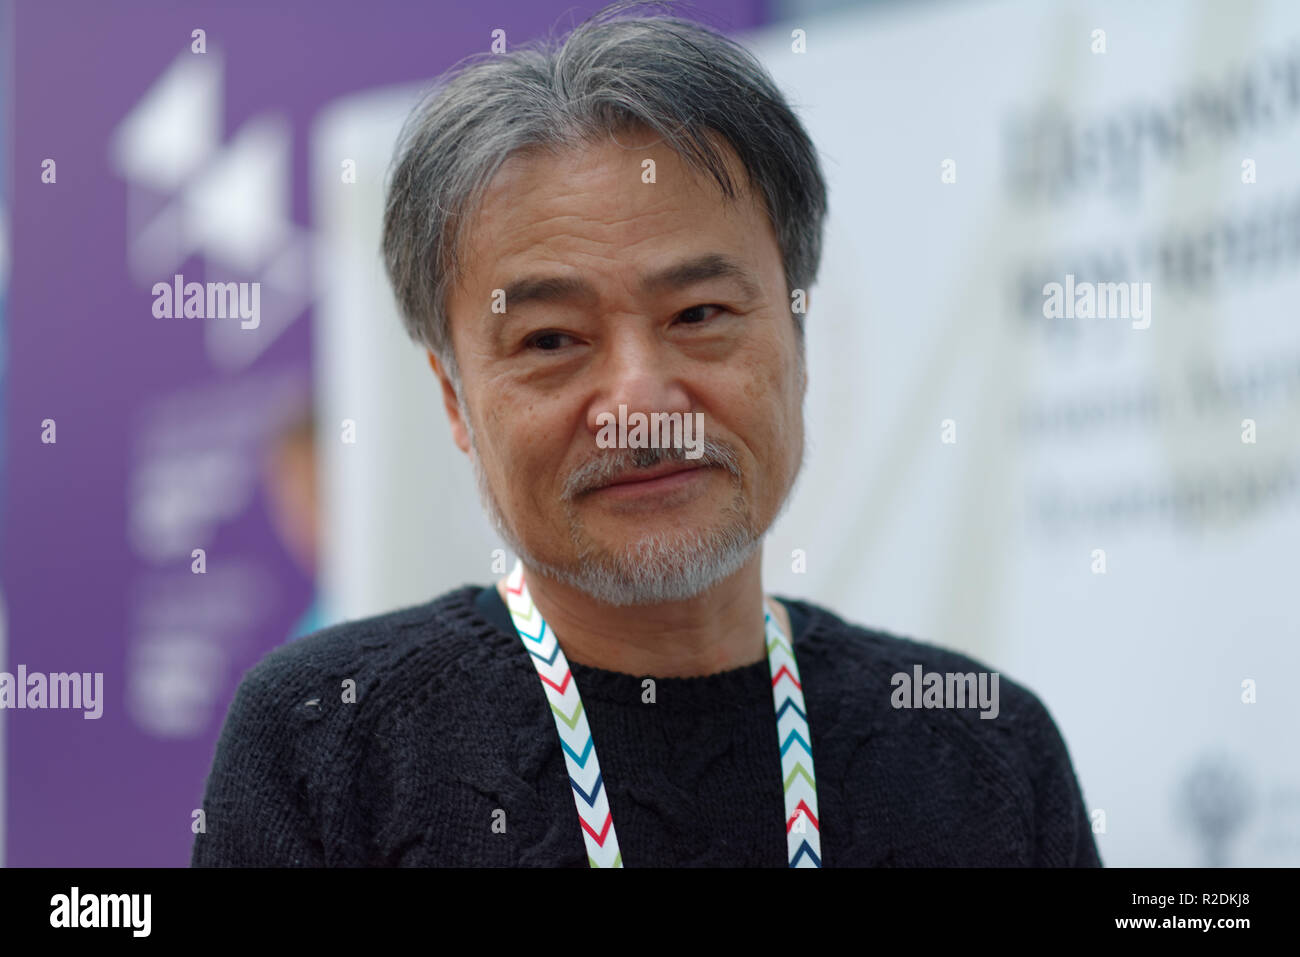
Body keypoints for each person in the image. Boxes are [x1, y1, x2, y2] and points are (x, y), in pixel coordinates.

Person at [192, 0, 1101, 868]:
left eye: (700, 313)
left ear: (798, 336)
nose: (639, 404)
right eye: (550, 340)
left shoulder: (983, 747)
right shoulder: (327, 741)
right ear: (455, 401)